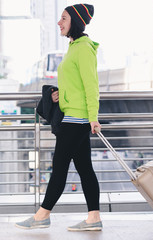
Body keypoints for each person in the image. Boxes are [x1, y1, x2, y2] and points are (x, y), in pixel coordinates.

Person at [15, 3, 102, 231]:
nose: (59, 23)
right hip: (74, 117)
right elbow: (76, 86)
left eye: (63, 18)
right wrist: (58, 95)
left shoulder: (83, 48)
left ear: (75, 21)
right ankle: (93, 218)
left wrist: (93, 117)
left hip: (77, 120)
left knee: (60, 168)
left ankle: (42, 215)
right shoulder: (74, 47)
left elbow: (91, 86)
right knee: (85, 169)